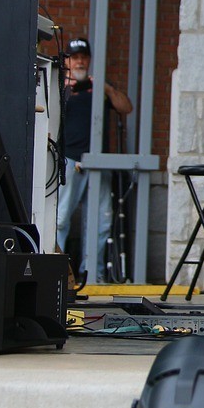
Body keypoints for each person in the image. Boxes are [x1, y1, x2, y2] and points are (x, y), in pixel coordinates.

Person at [55, 37, 133, 285]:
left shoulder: (96, 86)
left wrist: (106, 88)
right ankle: (56, 274)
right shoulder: (58, 84)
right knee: (60, 219)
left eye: (83, 57)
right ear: (67, 60)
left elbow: (126, 107)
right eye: (75, 57)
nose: (80, 61)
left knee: (100, 220)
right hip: (68, 160)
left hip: (98, 161)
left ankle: (93, 276)